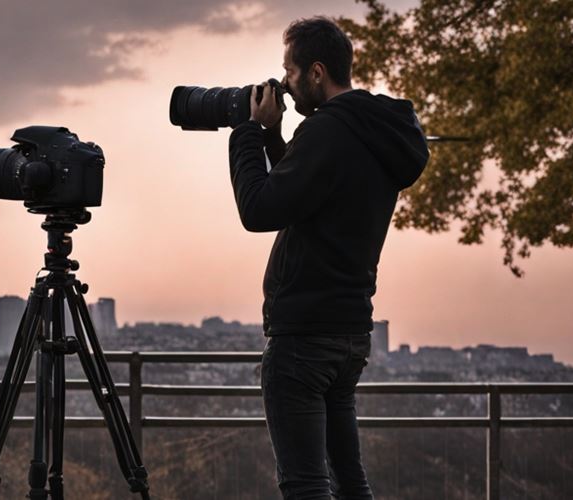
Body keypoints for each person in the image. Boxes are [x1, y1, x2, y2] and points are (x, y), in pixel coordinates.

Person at [227, 16, 430, 499]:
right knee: (348, 481)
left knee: (306, 486)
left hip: (303, 338)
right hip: (348, 334)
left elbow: (258, 210)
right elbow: (303, 191)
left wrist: (247, 133)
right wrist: (277, 140)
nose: (286, 87)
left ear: (316, 72)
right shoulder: (367, 132)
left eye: (290, 73)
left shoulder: (327, 132)